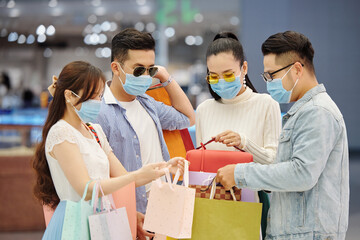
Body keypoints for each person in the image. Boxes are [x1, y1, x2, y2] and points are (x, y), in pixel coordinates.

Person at [217, 31, 349, 239]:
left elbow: (302, 174)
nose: (269, 83)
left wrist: (240, 175)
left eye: (272, 75)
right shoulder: (301, 112)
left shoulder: (317, 112)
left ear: (297, 69)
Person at [32, 61, 184, 239]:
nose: (98, 102)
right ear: (70, 96)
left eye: (100, 96)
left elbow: (124, 177)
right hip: (75, 225)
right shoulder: (61, 132)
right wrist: (136, 176)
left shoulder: (94, 130)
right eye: (93, 96)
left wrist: (163, 168)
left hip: (102, 221)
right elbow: (86, 189)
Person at [95, 28, 195, 217]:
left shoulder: (147, 102)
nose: (146, 76)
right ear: (116, 68)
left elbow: (187, 118)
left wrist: (165, 77)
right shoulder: (100, 112)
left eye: (151, 69)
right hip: (126, 211)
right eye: (139, 69)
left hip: (164, 206)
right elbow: (97, 175)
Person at [195, 32, 281, 238]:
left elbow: (276, 163)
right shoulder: (205, 109)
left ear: (244, 68)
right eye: (213, 76)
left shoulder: (266, 105)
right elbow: (200, 160)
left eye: (228, 74)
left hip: (251, 204)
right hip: (210, 203)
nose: (221, 81)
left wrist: (244, 143)